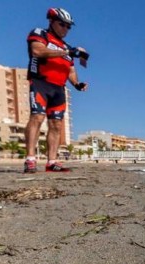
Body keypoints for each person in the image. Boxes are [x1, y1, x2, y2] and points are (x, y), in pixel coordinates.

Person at [23, 7, 89, 173]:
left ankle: (51, 161)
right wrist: (67, 51)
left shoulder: (67, 47)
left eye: (69, 27)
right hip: (41, 83)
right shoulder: (41, 34)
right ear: (51, 21)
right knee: (37, 118)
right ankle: (30, 158)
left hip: (59, 89)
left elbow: (71, 70)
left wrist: (77, 84)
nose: (65, 29)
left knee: (56, 125)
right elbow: (37, 50)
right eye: (62, 24)